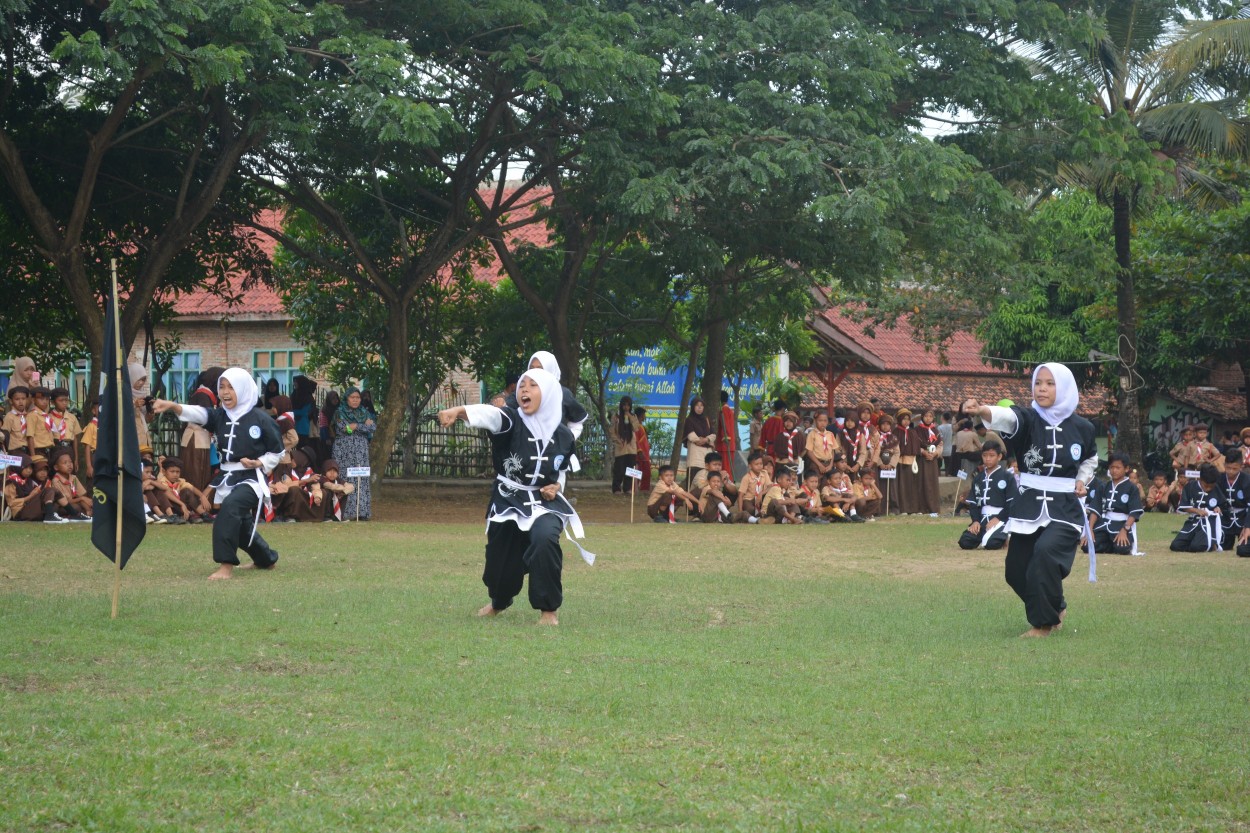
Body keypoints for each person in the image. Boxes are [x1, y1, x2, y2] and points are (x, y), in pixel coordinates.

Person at [438, 367, 590, 625]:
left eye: (533, 385)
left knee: (544, 540)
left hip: (545, 503)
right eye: (522, 385)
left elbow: (561, 470)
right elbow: (491, 416)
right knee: (500, 560)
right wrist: (459, 411)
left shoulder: (564, 436)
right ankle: (499, 601)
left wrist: (558, 487)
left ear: (550, 393)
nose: (524, 390)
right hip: (508, 499)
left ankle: (548, 610)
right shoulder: (511, 419)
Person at [963, 362, 1099, 638]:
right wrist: (982, 411)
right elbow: (1007, 417)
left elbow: (1090, 459)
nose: (1042, 389)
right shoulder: (1027, 419)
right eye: (1038, 383)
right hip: (1029, 504)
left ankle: (1042, 625)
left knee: (1045, 553)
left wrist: (1082, 481)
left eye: (1050, 383)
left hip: (1064, 508)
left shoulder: (1083, 427)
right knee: (1015, 571)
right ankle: (1055, 606)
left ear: (1063, 387)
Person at [152, 368, 283, 579]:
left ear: (243, 388)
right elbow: (198, 413)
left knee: (229, 510)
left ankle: (225, 566)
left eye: (231, 387)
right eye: (221, 386)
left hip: (252, 479)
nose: (225, 392)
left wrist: (258, 461)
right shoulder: (219, 416)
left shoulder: (262, 419)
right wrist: (172, 406)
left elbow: (278, 452)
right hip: (227, 477)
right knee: (241, 526)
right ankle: (265, 559)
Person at [959, 442, 1016, 550]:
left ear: (999, 457)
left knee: (992, 544)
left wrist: (998, 518)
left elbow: (1011, 502)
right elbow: (973, 503)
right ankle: (985, 535)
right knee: (965, 542)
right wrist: (975, 521)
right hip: (982, 519)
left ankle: (1007, 534)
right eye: (985, 455)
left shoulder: (1007, 476)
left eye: (991, 455)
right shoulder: (978, 478)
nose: (988, 459)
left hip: (1001, 519)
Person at [1087, 451, 1143, 555]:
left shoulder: (1132, 488)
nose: (1114, 470)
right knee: (1087, 547)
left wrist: (1125, 530)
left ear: (1126, 469)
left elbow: (1134, 513)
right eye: (1112, 467)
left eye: (1118, 468)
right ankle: (1109, 544)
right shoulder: (1103, 487)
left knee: (1122, 549)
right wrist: (1089, 530)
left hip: (1122, 524)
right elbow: (1095, 509)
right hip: (1104, 523)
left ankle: (1112, 545)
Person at [334, 388, 375, 520]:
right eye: (352, 397)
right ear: (346, 398)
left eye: (358, 397)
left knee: (360, 478)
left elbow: (373, 427)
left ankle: (361, 512)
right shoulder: (340, 412)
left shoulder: (364, 412)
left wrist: (356, 426)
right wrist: (362, 426)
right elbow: (344, 428)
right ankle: (345, 513)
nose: (355, 400)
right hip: (344, 450)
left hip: (361, 450)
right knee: (346, 477)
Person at [181, 367, 224, 492]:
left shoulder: (205, 394)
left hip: (201, 438)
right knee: (196, 470)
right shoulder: (203, 395)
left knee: (201, 469)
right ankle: (196, 500)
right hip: (196, 438)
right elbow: (206, 418)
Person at [1170, 464, 1228, 552]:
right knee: (1175, 546)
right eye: (1206, 486)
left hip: (1209, 522)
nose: (1208, 489)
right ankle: (1198, 543)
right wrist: (1196, 510)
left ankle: (1211, 543)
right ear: (1200, 479)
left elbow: (1224, 504)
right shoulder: (1190, 486)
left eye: (1211, 487)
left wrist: (1218, 508)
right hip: (1193, 521)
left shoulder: (1216, 488)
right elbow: (1183, 506)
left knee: (1197, 547)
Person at [159, 457, 210, 523]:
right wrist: (182, 504)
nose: (175, 474)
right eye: (172, 471)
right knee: (171, 497)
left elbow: (192, 488)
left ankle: (203, 514)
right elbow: (168, 494)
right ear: (163, 471)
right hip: (170, 507)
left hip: (181, 507)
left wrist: (202, 496)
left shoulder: (180, 481)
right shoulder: (161, 481)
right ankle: (191, 515)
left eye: (177, 472)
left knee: (187, 491)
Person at [683, 396, 717, 488]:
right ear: (693, 407)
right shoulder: (689, 420)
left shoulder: (706, 420)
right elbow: (691, 436)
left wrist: (705, 440)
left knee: (707, 477)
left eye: (701, 406)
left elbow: (713, 434)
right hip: (695, 454)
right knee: (694, 477)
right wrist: (703, 440)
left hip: (707, 453)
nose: (699, 408)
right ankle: (690, 500)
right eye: (697, 405)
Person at [609, 396, 640, 495]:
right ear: (621, 406)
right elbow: (612, 431)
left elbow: (636, 428)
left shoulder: (633, 416)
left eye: (628, 405)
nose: (626, 407)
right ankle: (616, 488)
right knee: (619, 469)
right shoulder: (616, 417)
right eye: (624, 405)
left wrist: (630, 417)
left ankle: (627, 488)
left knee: (630, 468)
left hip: (631, 447)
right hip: (620, 446)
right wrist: (617, 440)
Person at [915, 408, 943, 516]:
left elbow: (940, 444)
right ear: (922, 417)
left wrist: (935, 454)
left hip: (933, 461)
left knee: (932, 483)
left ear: (933, 418)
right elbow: (915, 444)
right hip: (922, 460)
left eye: (930, 416)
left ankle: (933, 508)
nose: (928, 418)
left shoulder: (936, 431)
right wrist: (923, 452)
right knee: (922, 482)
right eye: (926, 416)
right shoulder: (917, 430)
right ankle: (922, 508)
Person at [1218, 451, 1248, 550]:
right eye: (1228, 468)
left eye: (1234, 468)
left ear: (1241, 466)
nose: (1231, 471)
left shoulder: (1247, 480)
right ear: (1224, 465)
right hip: (1226, 519)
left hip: (1244, 518)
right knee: (1221, 547)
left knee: (1243, 549)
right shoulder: (1219, 478)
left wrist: (1248, 526)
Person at [893, 408, 920, 515]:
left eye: (908, 419)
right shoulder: (895, 432)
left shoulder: (912, 432)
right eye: (904, 419)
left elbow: (916, 447)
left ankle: (911, 508)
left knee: (911, 486)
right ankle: (902, 508)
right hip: (899, 463)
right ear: (899, 419)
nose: (906, 421)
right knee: (900, 486)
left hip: (911, 462)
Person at [3, 454, 43, 522]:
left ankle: (51, 515)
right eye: (26, 467)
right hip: (19, 512)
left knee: (50, 493)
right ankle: (50, 516)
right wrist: (31, 496)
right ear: (19, 467)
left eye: (30, 468)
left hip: (30, 507)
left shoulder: (29, 481)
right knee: (48, 493)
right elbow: (11, 502)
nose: (29, 470)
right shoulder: (11, 481)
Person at [46, 388, 80, 464]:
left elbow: (75, 439)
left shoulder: (72, 417)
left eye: (66, 400)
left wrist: (76, 458)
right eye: (61, 400)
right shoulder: (48, 418)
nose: (64, 403)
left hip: (69, 448)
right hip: (55, 448)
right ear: (52, 402)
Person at [738, 449, 770, 522]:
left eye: (761, 464)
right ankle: (753, 518)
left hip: (760, 498)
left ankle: (760, 517)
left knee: (768, 504)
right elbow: (740, 495)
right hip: (749, 500)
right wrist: (740, 511)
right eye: (756, 464)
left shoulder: (764, 473)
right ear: (750, 466)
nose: (759, 466)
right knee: (750, 509)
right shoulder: (746, 477)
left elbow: (770, 486)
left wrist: (761, 494)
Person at [804, 411, 838, 479]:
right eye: (820, 420)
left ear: (828, 422)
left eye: (825, 421)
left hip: (828, 465)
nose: (823, 423)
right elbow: (809, 451)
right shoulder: (812, 434)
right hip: (816, 464)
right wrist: (819, 465)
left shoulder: (830, 434)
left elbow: (832, 451)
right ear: (815, 421)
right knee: (816, 484)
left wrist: (831, 465)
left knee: (827, 485)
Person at [771, 410, 805, 476]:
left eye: (790, 421)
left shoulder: (800, 435)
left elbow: (804, 449)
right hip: (782, 464)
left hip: (795, 464)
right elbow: (775, 450)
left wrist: (798, 458)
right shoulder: (780, 436)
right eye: (786, 421)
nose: (788, 423)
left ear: (795, 422)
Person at [3, 386, 33, 455]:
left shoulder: (29, 416)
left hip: (28, 449)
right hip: (15, 451)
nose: (21, 402)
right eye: (17, 399)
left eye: (23, 399)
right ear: (11, 401)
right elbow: (4, 436)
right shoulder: (9, 417)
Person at [26, 387, 54, 460]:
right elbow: (30, 436)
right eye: (41, 399)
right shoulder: (32, 415)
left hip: (49, 449)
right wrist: (33, 456)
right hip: (38, 450)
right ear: (33, 400)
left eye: (47, 399)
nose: (45, 402)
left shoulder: (45, 415)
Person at [715, 390, 738, 469]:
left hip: (725, 444)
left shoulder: (724, 409)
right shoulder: (728, 409)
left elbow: (726, 425)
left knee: (726, 467)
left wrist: (726, 437)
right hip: (728, 443)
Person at [633, 406, 652, 492]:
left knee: (646, 473)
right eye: (644, 414)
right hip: (641, 454)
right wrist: (639, 451)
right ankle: (638, 488)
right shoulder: (637, 427)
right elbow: (636, 440)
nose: (645, 416)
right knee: (641, 472)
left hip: (645, 453)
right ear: (641, 415)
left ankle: (643, 488)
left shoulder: (641, 426)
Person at [939, 411, 955, 475]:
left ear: (942, 417)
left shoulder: (940, 427)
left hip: (941, 450)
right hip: (950, 449)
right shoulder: (951, 427)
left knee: (938, 466)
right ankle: (947, 476)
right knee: (947, 467)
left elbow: (940, 439)